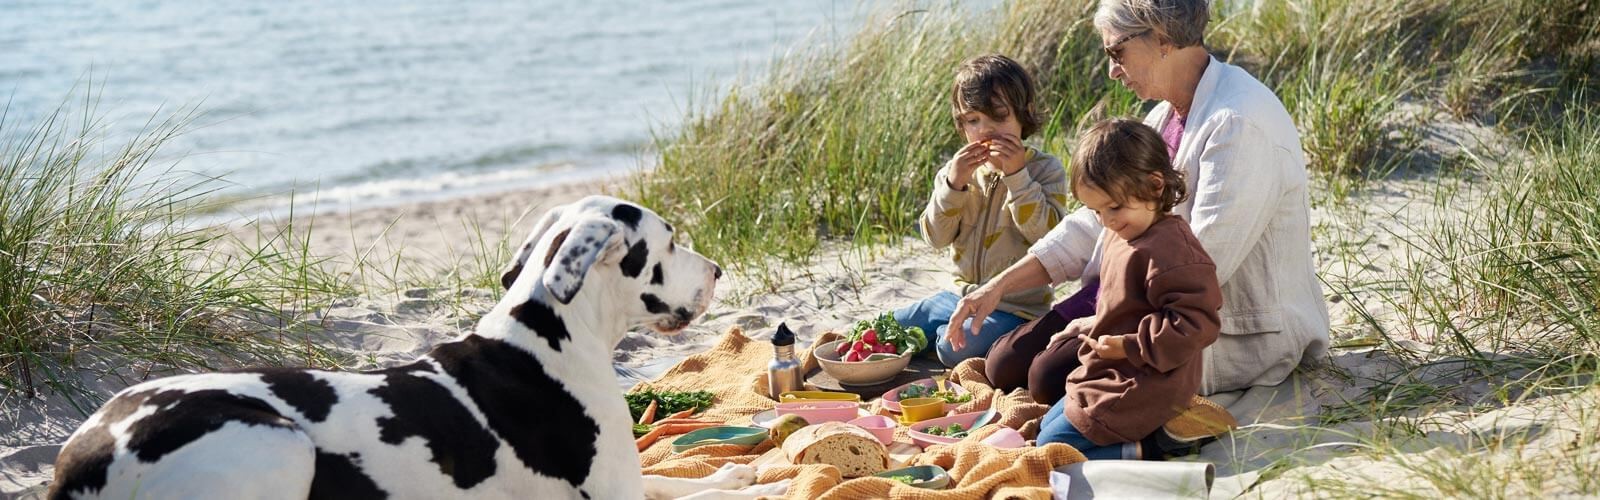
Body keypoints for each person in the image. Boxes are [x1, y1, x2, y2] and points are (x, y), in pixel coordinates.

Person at [952, 0, 1330, 402]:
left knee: (1045, 377)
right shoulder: (1165, 115)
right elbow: (1094, 220)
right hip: (1135, 288)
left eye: (1117, 52)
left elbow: (1203, 264)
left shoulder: (1237, 121)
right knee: (1004, 364)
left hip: (1214, 321)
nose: (1113, 70)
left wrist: (1103, 321)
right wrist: (995, 287)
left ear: (1163, 38)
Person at [1034, 118, 1221, 459]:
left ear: (1154, 186)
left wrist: (1129, 345)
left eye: (1115, 207)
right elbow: (1126, 304)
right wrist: (1099, 324)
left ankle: (1153, 445)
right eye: (1097, 211)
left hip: (1147, 380)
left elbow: (1197, 324)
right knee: (1045, 427)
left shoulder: (1173, 251)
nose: (1106, 221)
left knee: (1053, 449)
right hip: (1109, 371)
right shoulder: (1125, 233)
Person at [895, 54, 1070, 367]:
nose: (985, 131)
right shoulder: (957, 172)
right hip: (954, 296)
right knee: (887, 328)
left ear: (1023, 114)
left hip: (1015, 308)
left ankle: (947, 337)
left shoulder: (1045, 170)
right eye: (973, 121)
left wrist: (1017, 177)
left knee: (952, 349)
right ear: (961, 125)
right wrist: (954, 185)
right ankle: (937, 331)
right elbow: (936, 237)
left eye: (999, 118)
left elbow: (1046, 237)